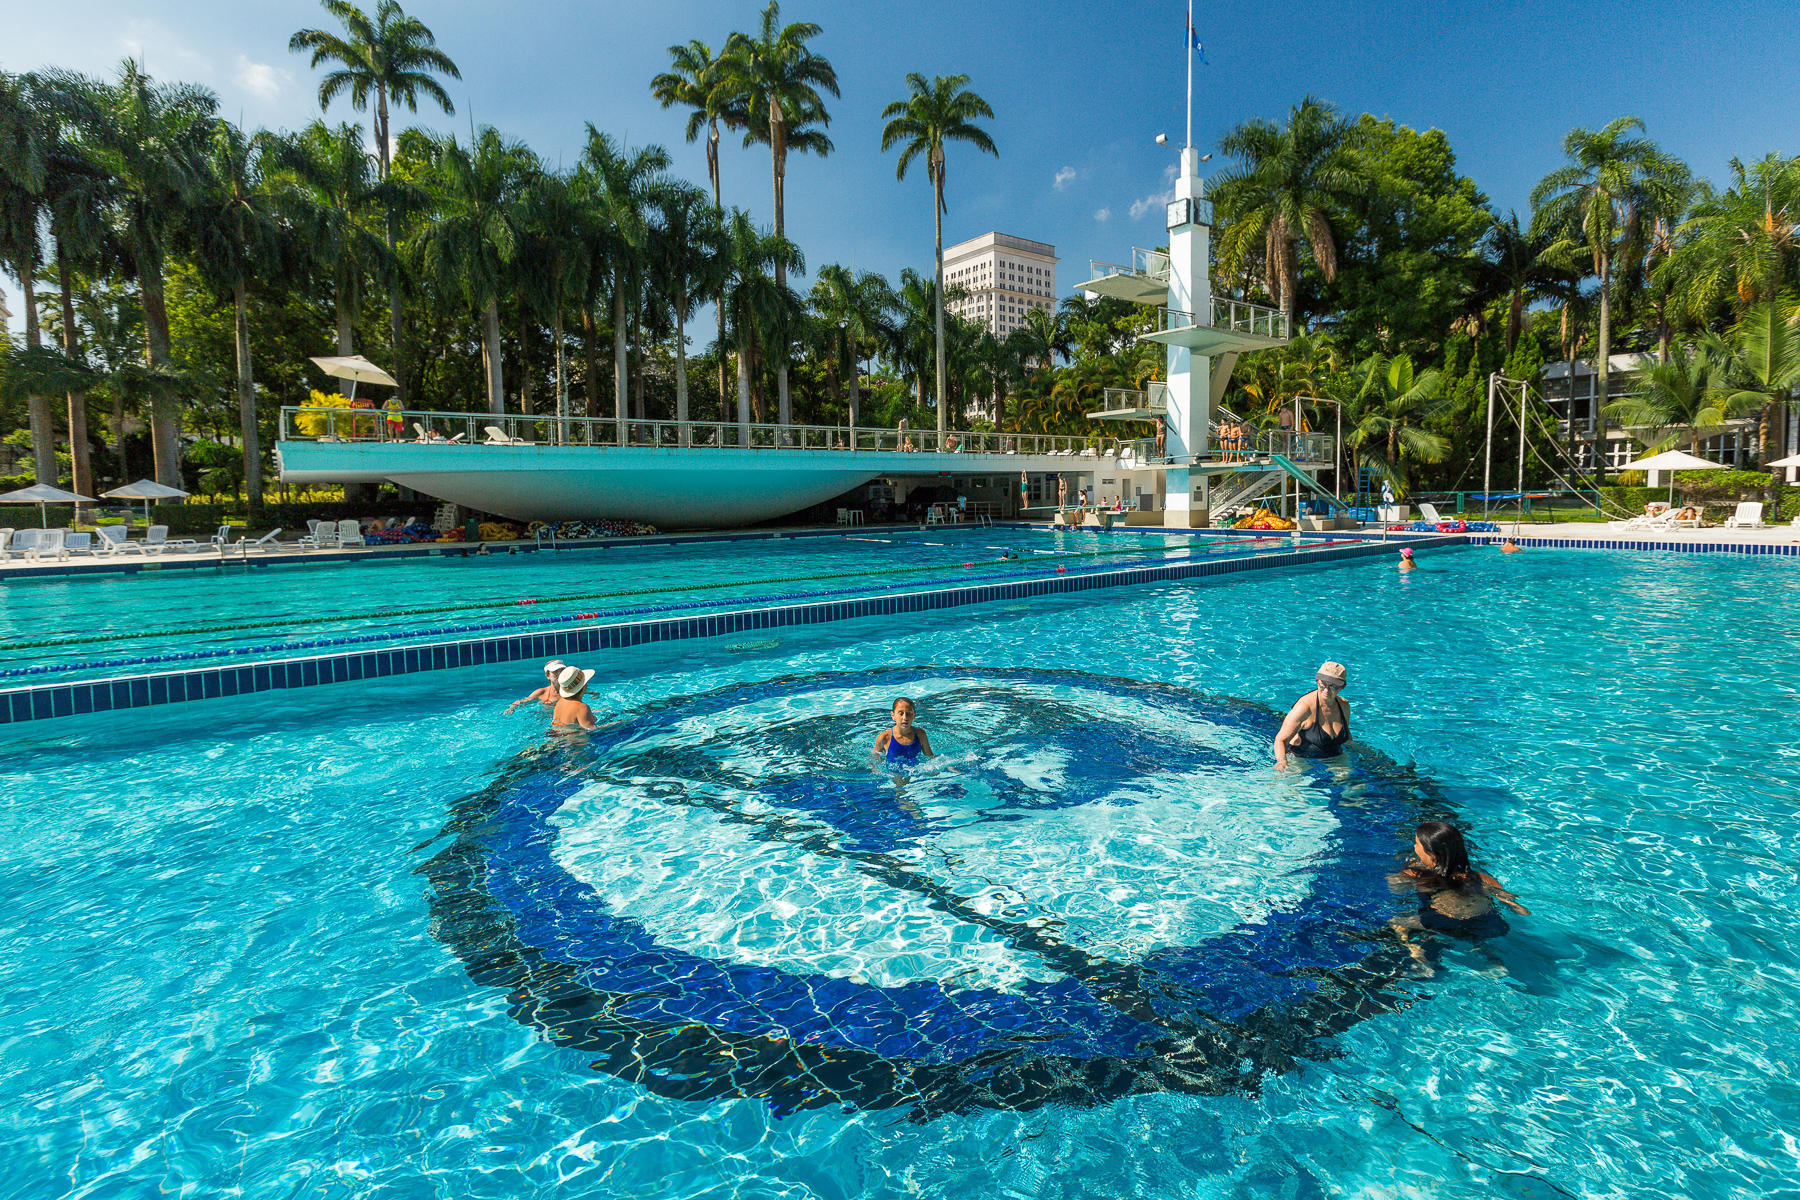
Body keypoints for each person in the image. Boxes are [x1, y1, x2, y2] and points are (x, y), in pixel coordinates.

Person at [1389, 821, 1529, 963]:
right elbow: (1518, 908)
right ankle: (1492, 960)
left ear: (1431, 855)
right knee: (1475, 936)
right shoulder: (1482, 877)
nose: (1414, 847)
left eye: (1417, 843)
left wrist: (1405, 867)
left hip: (1444, 923)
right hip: (1488, 922)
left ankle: (1417, 953)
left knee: (1396, 922)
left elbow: (1396, 889)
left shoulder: (1415, 873)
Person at [1274, 661, 1351, 769]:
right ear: (1317, 681)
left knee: (1356, 785)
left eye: (1333, 686)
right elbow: (1281, 739)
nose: (1327, 690)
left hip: (1336, 758)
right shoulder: (1304, 707)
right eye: (1323, 684)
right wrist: (1281, 761)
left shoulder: (1344, 705)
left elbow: (1348, 738)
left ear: (1342, 686)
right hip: (1302, 759)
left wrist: (1364, 753)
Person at [873, 696, 934, 766]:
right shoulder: (884, 738)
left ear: (914, 715)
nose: (905, 717)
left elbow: (930, 757)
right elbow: (874, 760)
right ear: (893, 715)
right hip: (893, 773)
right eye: (901, 713)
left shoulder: (920, 734)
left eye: (909, 713)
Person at [551, 665, 599, 731]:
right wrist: (614, 724)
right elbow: (592, 730)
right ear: (583, 686)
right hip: (576, 740)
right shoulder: (582, 707)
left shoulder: (560, 702)